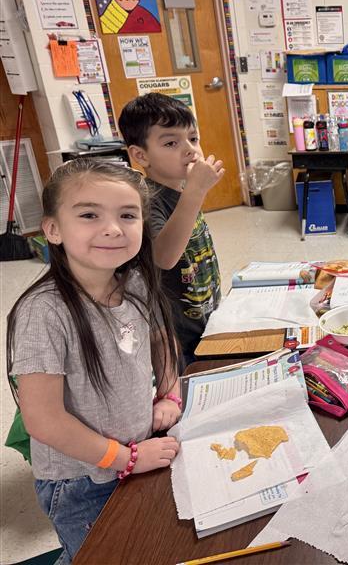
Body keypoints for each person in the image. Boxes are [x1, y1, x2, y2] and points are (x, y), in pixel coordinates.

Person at [7, 160, 182, 563]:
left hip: (136, 453)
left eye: (128, 215)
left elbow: (163, 339)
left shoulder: (135, 282)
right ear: (53, 229)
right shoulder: (44, 312)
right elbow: (44, 421)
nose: (113, 228)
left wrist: (169, 394)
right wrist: (127, 460)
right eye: (89, 215)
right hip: (82, 480)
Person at [119, 93, 224, 370]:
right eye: (171, 143)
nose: (190, 150)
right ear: (140, 155)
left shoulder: (181, 189)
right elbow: (164, 257)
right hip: (178, 337)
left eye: (193, 138)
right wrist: (196, 191)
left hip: (205, 319)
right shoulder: (146, 199)